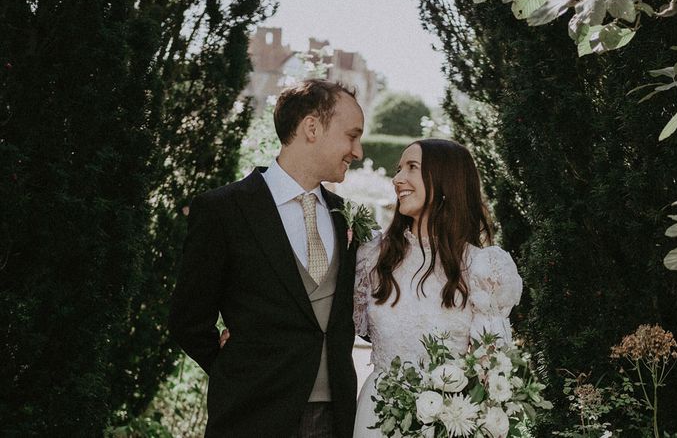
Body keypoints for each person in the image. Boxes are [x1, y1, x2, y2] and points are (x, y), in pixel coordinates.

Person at [169, 78, 365, 438]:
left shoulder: (346, 216)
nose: (358, 151)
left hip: (334, 419)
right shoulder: (224, 209)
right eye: (352, 135)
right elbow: (187, 318)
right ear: (312, 127)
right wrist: (236, 369)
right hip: (251, 416)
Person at [352, 139, 523, 437]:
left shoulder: (482, 269)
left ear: (446, 180)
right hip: (378, 414)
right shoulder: (373, 258)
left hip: (448, 420)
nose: (397, 178)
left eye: (412, 168)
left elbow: (491, 368)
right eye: (398, 169)